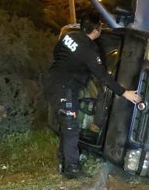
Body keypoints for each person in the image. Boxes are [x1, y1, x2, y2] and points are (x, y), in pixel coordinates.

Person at [45, 14, 142, 178]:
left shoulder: (69, 36)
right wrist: (125, 93)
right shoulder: (89, 50)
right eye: (100, 28)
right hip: (66, 88)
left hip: (54, 82)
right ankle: (72, 169)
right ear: (96, 30)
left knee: (65, 126)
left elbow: (57, 53)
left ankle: (64, 162)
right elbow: (103, 76)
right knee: (70, 128)